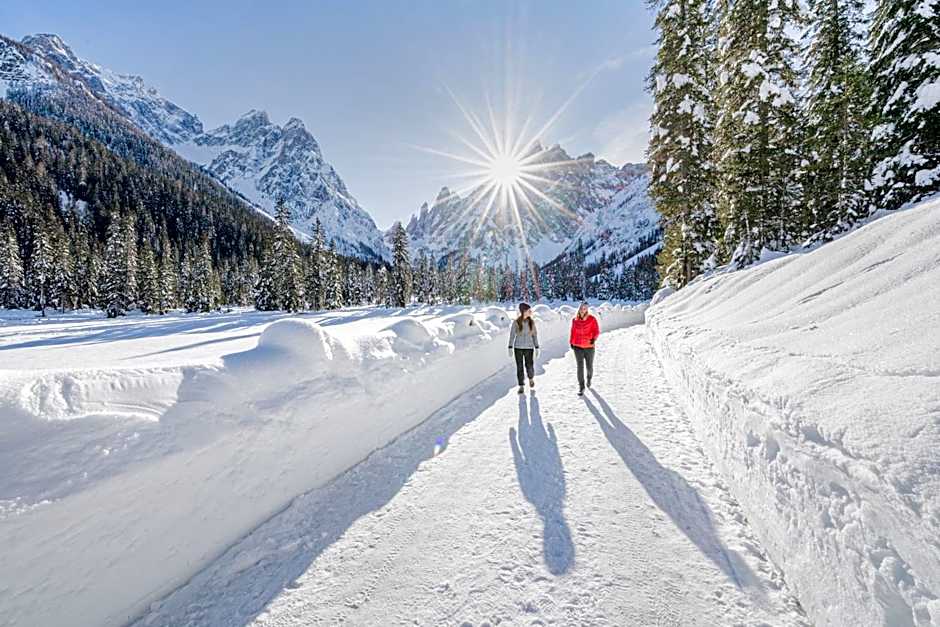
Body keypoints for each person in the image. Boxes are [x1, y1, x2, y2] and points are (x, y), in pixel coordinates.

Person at [508, 302, 540, 394]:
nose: (530, 312)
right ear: (523, 311)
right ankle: (521, 385)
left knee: (529, 365)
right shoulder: (516, 322)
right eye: (528, 310)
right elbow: (512, 335)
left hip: (529, 347)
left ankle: (531, 378)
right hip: (518, 348)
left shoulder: (531, 322)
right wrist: (510, 346)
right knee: (519, 367)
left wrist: (537, 346)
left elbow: (534, 335)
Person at [569, 301, 599, 396]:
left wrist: (593, 339)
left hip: (589, 347)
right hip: (578, 347)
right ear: (579, 309)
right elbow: (572, 331)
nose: (583, 310)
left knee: (589, 367)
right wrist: (571, 342)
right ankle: (581, 387)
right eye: (581, 308)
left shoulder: (592, 319)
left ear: (587, 310)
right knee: (580, 367)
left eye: (585, 308)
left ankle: (589, 378)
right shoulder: (575, 320)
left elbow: (596, 331)